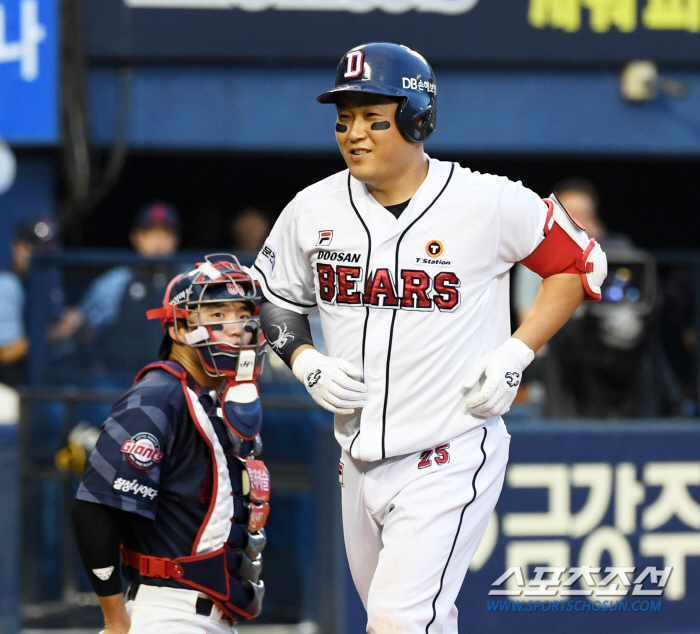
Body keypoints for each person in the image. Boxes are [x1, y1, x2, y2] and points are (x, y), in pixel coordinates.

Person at [251, 43, 606, 634]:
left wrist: (518, 352)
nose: (353, 134)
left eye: (373, 118)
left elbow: (579, 265)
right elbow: (274, 299)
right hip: (355, 458)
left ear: (418, 119)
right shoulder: (312, 207)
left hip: (450, 448)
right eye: (344, 120)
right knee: (410, 621)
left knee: (399, 621)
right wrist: (303, 356)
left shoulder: (485, 200)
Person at [71, 255, 269, 634]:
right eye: (216, 316)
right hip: (168, 612)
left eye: (243, 315)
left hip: (208, 617)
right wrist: (115, 622)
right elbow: (94, 509)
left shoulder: (214, 398)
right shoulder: (158, 395)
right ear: (179, 328)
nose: (236, 329)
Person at [49, 201, 185, 383]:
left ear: (176, 239)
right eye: (151, 234)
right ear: (137, 237)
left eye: (165, 234)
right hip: (121, 379)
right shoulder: (116, 281)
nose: (158, 242)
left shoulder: (189, 281)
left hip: (177, 380)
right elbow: (83, 327)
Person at [0, 217, 60, 387]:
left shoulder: (46, 282)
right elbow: (6, 353)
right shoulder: (7, 284)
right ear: (17, 247)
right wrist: (57, 333)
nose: (40, 256)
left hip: (39, 385)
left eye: (46, 250)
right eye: (34, 249)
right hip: (7, 388)